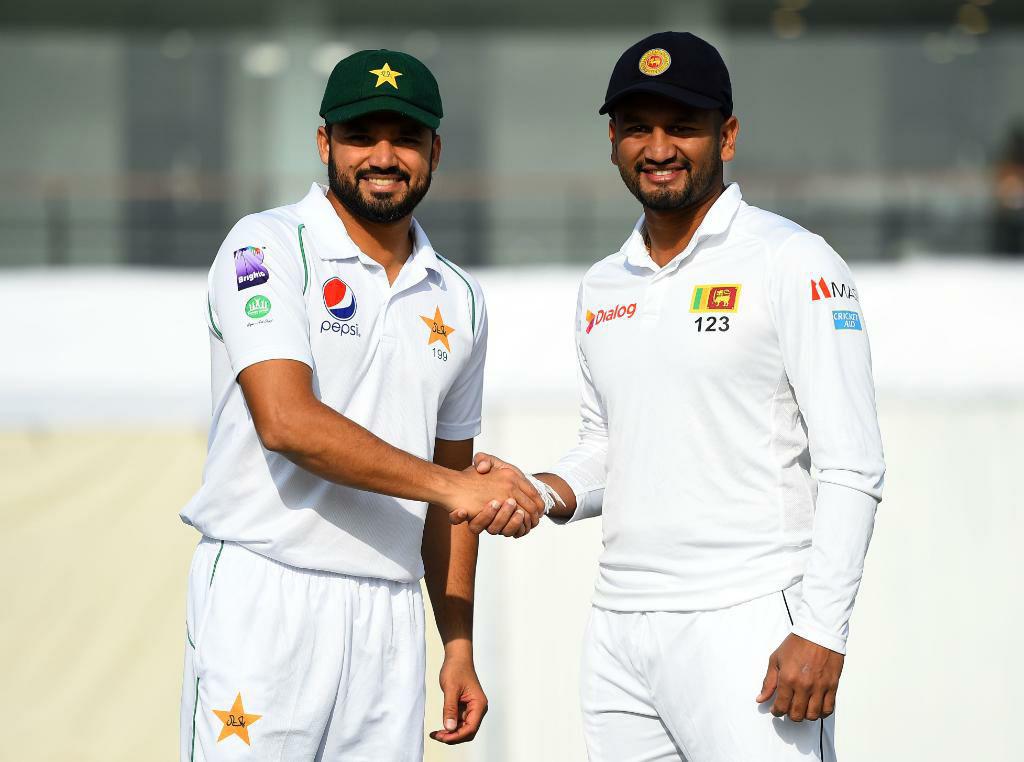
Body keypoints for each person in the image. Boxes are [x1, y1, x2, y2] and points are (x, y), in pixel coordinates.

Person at [468, 31, 885, 761]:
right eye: (638, 127)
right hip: (619, 629)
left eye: (682, 126)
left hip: (748, 618)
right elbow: (608, 447)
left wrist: (822, 629)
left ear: (727, 136)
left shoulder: (793, 259)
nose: (658, 148)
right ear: (613, 142)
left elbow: (854, 462)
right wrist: (538, 492)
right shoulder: (603, 284)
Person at [178, 48, 541, 761]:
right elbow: (287, 423)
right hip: (266, 592)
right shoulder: (266, 245)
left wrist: (457, 643)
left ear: (435, 151)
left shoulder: (459, 297)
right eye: (360, 136)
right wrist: (456, 488)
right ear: (324, 143)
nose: (383, 156)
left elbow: (452, 494)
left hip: (389, 613)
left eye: (405, 138)